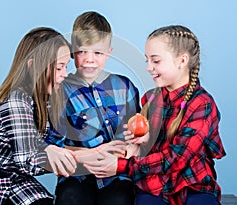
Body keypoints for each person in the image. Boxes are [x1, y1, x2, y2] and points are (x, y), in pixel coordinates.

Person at [83, 25, 226, 205]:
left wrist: (121, 166)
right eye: (147, 60)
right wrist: (138, 145)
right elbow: (144, 150)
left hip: (193, 184)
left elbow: (178, 158)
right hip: (154, 183)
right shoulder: (150, 98)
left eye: (156, 61)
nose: (149, 68)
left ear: (182, 60)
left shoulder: (202, 104)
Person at [0, 27, 77, 205]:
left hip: (16, 181)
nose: (64, 74)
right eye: (59, 67)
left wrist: (94, 153)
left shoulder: (46, 102)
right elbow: (28, 159)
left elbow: (56, 146)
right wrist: (59, 154)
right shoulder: (17, 100)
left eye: (66, 67)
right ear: (33, 67)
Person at [45, 11, 141, 205]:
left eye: (97, 52)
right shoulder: (59, 91)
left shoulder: (125, 87)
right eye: (82, 52)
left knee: (119, 201)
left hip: (116, 174)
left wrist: (122, 158)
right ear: (73, 52)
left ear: (109, 52)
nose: (90, 59)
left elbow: (137, 136)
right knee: (70, 199)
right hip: (77, 175)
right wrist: (89, 157)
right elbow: (54, 145)